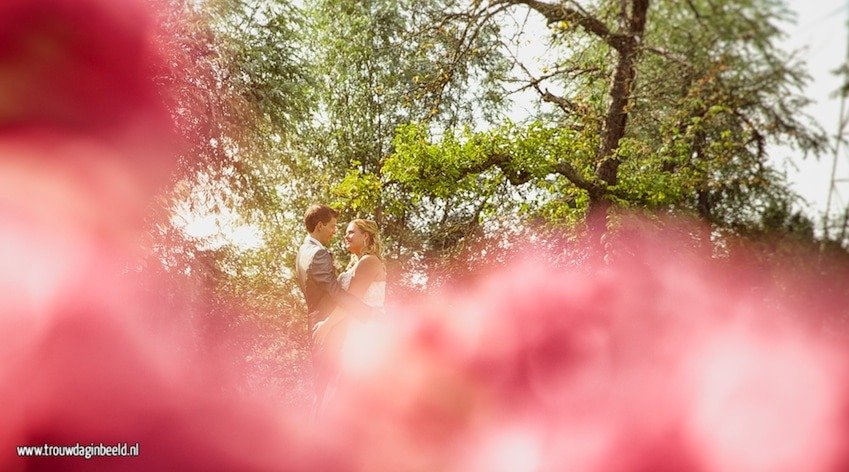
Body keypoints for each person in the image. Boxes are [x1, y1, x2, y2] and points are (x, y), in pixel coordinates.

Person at [295, 205, 375, 418]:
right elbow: (334, 292)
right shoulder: (318, 253)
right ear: (319, 225)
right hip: (328, 329)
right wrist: (367, 312)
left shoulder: (303, 252)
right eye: (332, 226)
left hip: (317, 324)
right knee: (332, 391)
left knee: (323, 390)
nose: (334, 231)